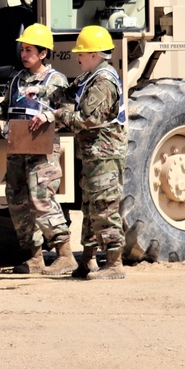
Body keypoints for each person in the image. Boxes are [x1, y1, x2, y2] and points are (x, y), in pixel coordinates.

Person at [0, 24, 76, 275]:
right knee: (18, 200)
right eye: (23, 49)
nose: (24, 54)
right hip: (17, 149)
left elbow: (68, 113)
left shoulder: (55, 80)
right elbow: (8, 106)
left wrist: (48, 115)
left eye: (30, 50)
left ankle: (65, 254)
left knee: (42, 199)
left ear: (43, 53)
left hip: (41, 151)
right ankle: (34, 257)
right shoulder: (16, 79)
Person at [54, 25, 127, 280]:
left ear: (94, 54)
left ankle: (115, 263)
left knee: (105, 207)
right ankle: (88, 260)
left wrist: (60, 114)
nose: (78, 57)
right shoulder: (89, 78)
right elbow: (68, 92)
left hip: (104, 155)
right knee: (90, 208)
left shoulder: (103, 80)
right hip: (93, 155)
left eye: (82, 53)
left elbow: (89, 119)